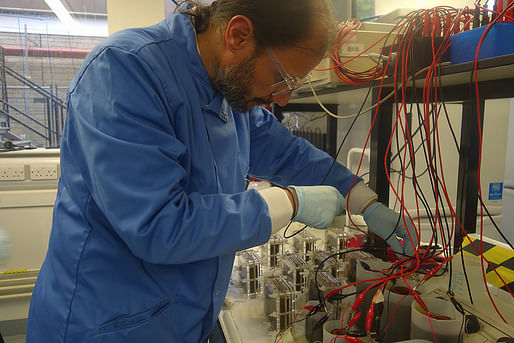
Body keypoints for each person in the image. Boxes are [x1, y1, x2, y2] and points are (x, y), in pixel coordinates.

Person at [26, 1, 417, 342]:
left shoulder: (230, 95)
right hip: (104, 325)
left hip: (181, 321)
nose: (282, 97)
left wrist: (364, 200)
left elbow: (290, 155)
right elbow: (160, 226)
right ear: (239, 35)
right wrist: (289, 202)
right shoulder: (124, 72)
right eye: (283, 78)